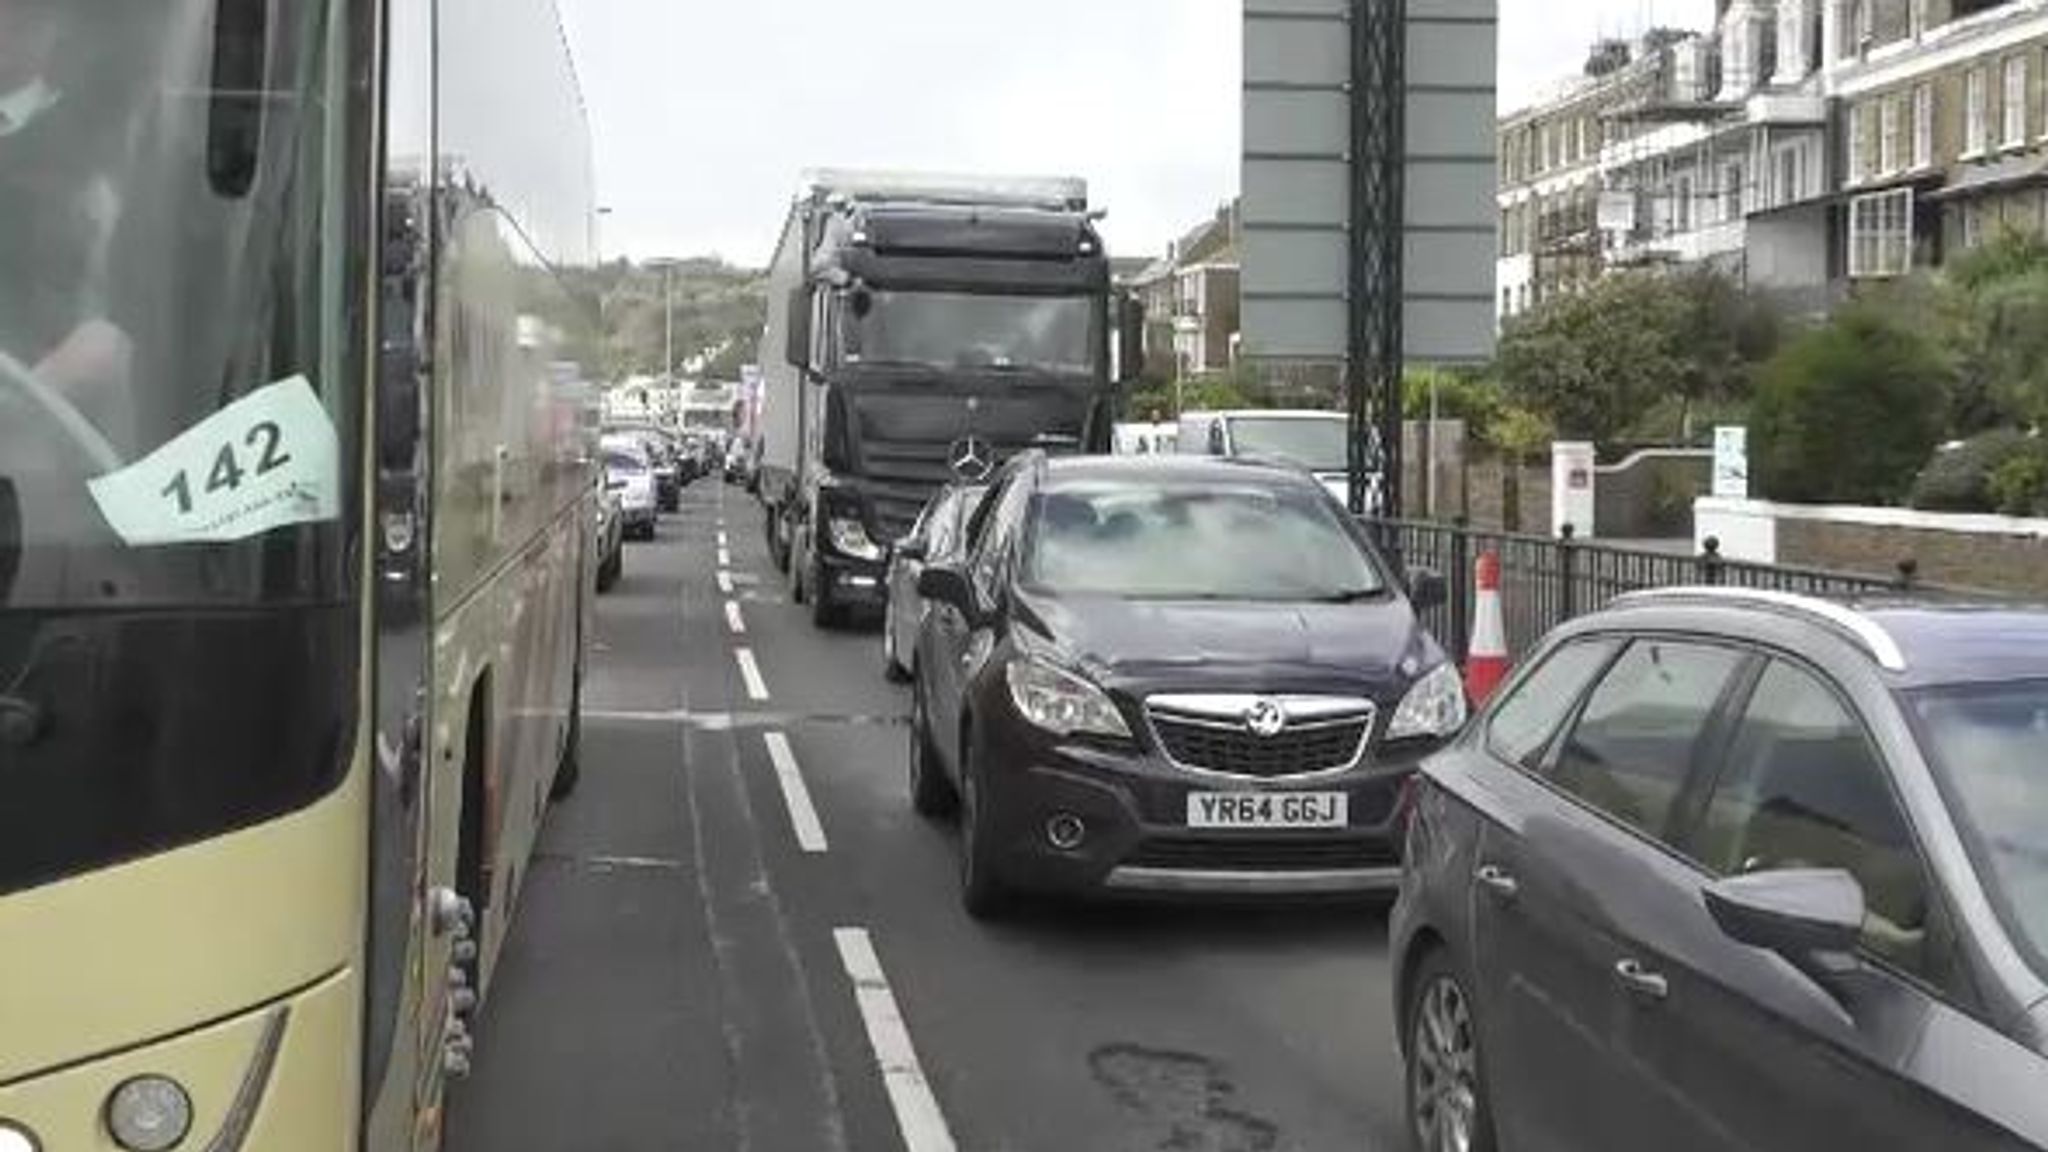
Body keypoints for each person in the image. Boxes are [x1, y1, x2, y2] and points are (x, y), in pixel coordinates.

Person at [0, 0, 136, 452]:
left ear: (54, 22)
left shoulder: (109, 146)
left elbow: (112, 334)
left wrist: (40, 389)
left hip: (51, 439)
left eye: (22, 12)